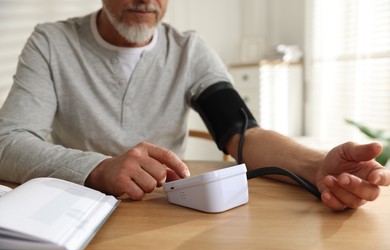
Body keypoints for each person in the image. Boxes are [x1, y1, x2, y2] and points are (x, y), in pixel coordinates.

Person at [0, 0, 388, 211]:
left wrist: (315, 166)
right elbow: (8, 142)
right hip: (68, 208)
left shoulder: (189, 51)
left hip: (162, 211)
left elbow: (242, 133)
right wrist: (100, 169)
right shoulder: (50, 43)